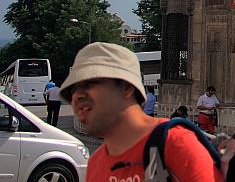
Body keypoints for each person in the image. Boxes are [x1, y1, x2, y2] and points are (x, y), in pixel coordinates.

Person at [60, 42, 222, 182]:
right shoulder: (96, 163)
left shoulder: (175, 144)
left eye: (89, 84)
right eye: (73, 89)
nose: (77, 96)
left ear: (126, 88)